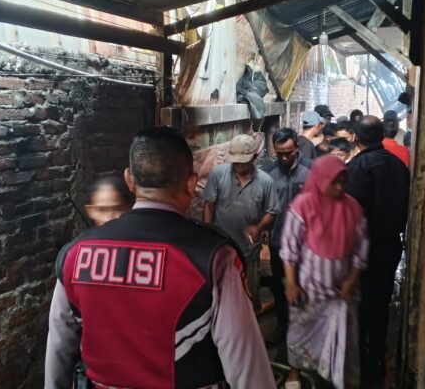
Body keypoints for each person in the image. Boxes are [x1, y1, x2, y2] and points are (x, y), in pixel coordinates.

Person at [45, 127, 275, 389]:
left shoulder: (75, 255)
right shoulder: (214, 258)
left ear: (130, 180)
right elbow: (247, 368)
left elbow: (58, 353)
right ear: (191, 183)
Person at [281, 155, 369, 389]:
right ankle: (295, 371)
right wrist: (291, 283)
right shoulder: (303, 206)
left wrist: (352, 278)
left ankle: (335, 375)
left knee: (342, 336)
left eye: (343, 181)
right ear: (320, 179)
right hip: (310, 289)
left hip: (342, 291)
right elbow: (289, 248)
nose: (339, 187)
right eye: (334, 182)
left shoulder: (353, 208)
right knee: (301, 331)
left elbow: (361, 248)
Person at [346, 116, 410, 387]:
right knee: (381, 299)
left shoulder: (356, 168)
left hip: (363, 248)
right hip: (390, 245)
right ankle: (377, 351)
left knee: (360, 302)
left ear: (355, 138)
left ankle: (363, 357)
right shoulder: (399, 166)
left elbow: (351, 215)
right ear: (382, 136)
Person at [203, 134, 280, 311]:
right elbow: (209, 206)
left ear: (254, 157)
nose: (238, 166)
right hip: (222, 248)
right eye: (235, 162)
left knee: (249, 296)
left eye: (242, 162)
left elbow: (271, 210)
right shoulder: (218, 174)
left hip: (249, 250)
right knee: (222, 295)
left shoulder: (265, 181)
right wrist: (207, 234)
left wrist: (259, 227)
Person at [261, 128, 312, 345]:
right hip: (278, 243)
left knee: (307, 287)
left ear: (297, 147)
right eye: (279, 153)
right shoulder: (268, 173)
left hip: (307, 245)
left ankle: (306, 332)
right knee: (280, 286)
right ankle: (283, 328)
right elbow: (262, 204)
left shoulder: (311, 170)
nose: (283, 158)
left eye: (288, 153)